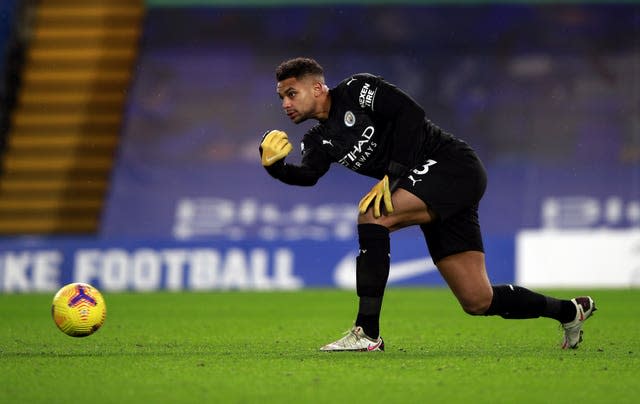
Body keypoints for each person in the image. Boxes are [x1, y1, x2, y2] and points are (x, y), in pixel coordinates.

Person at [259, 57, 596, 352]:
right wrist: (275, 168)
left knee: (372, 216)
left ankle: (367, 334)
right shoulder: (317, 139)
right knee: (477, 300)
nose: (286, 104)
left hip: (452, 165)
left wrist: (392, 176)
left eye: (292, 94)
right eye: (281, 98)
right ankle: (569, 312)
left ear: (317, 88)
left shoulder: (357, 90)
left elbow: (410, 113)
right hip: (430, 186)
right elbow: (308, 175)